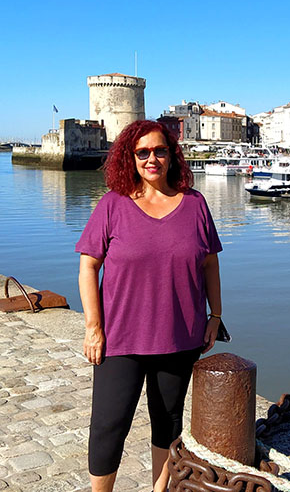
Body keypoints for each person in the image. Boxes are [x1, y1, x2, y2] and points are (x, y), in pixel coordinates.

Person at [75, 120, 223, 492]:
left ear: (172, 155)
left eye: (159, 150)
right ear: (131, 157)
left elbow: (209, 263)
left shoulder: (195, 204)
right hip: (120, 339)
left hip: (180, 337)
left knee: (168, 423)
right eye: (142, 152)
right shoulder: (113, 204)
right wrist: (93, 327)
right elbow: (88, 266)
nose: (151, 159)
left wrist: (216, 315)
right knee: (109, 426)